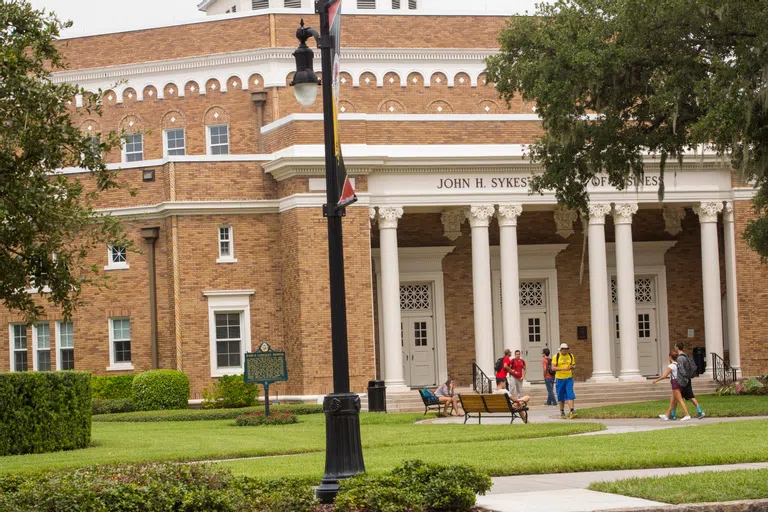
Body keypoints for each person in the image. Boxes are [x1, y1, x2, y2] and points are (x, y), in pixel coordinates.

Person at [653, 352, 691, 422]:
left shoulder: (671, 366)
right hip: (679, 382)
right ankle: (667, 415)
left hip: (675, 383)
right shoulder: (678, 364)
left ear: (670, 357)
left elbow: (664, 376)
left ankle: (687, 415)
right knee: (672, 401)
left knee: (680, 400)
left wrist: (656, 380)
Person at [675, 342, 706, 419]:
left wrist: (684, 378)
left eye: (675, 347)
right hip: (687, 379)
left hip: (683, 381)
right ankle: (671, 414)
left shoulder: (679, 358)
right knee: (676, 397)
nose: (674, 348)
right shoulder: (686, 356)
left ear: (677, 347)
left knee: (690, 396)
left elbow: (681, 369)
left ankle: (700, 411)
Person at [552, 343, 578, 419]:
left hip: (569, 378)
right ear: (560, 349)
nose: (564, 350)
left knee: (570, 394)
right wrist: (563, 369)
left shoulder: (570, 355)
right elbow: (553, 368)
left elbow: (574, 365)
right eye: (563, 349)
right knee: (560, 396)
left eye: (566, 349)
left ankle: (572, 411)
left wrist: (572, 367)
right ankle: (562, 411)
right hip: (560, 379)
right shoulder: (556, 356)